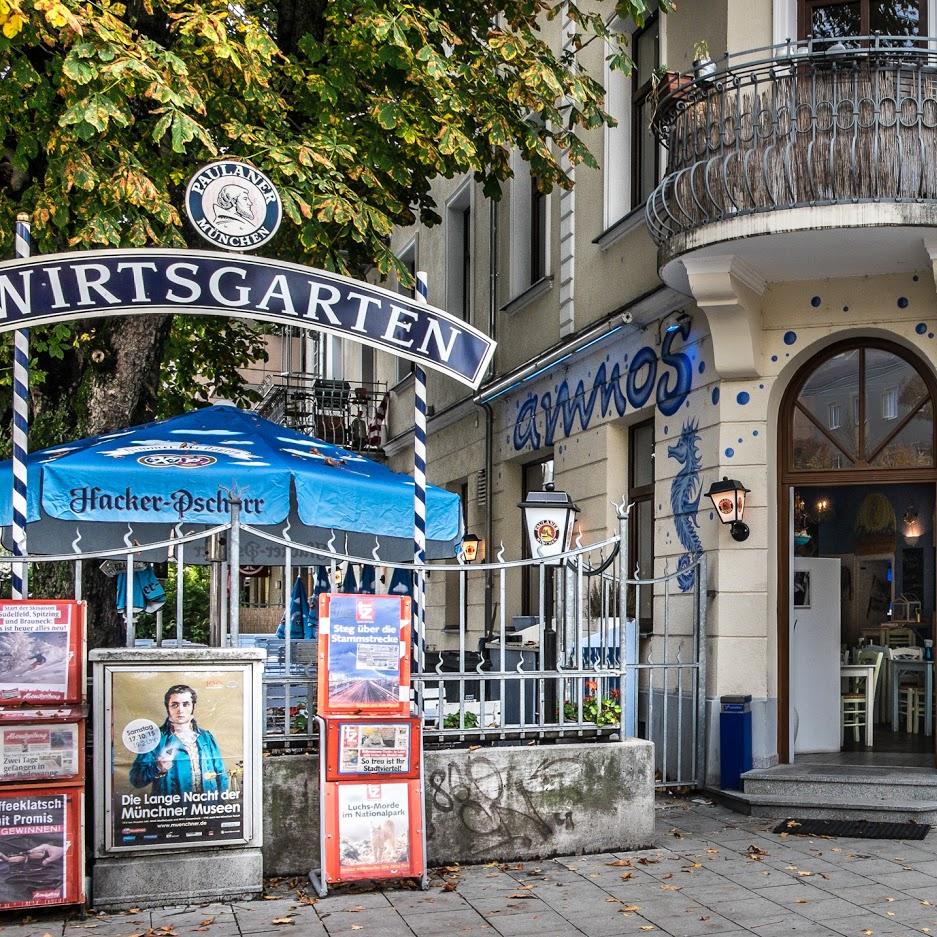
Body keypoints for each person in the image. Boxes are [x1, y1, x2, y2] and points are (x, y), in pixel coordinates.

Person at [129, 684, 228, 796]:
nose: (180, 710)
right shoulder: (154, 738)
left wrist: (222, 803)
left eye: (186, 704)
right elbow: (136, 780)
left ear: (193, 706)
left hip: (208, 807)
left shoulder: (206, 737)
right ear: (168, 707)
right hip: (173, 809)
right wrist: (157, 768)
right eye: (174, 705)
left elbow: (221, 774)